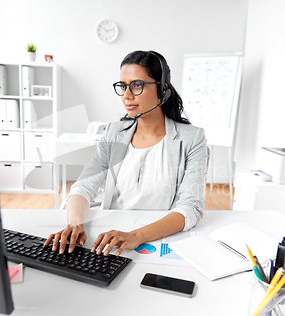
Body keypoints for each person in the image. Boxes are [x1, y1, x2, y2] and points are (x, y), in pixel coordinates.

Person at [44, 50, 208, 257]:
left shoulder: (191, 138)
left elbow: (190, 207)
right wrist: (75, 224)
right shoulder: (114, 133)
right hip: (111, 240)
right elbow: (85, 185)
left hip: (157, 237)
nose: (126, 95)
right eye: (123, 86)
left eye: (137, 85)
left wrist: (136, 236)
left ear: (162, 89)